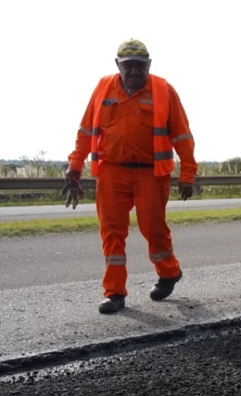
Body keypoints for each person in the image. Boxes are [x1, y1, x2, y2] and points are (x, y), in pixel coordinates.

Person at [65, 39, 197, 314]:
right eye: (128, 66)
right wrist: (75, 166)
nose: (134, 71)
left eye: (139, 66)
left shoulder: (163, 90)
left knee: (153, 229)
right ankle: (114, 293)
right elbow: (86, 132)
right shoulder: (103, 88)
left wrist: (188, 173)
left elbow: (183, 136)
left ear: (149, 65)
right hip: (112, 172)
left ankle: (169, 271)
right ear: (118, 65)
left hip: (151, 173)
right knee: (111, 232)